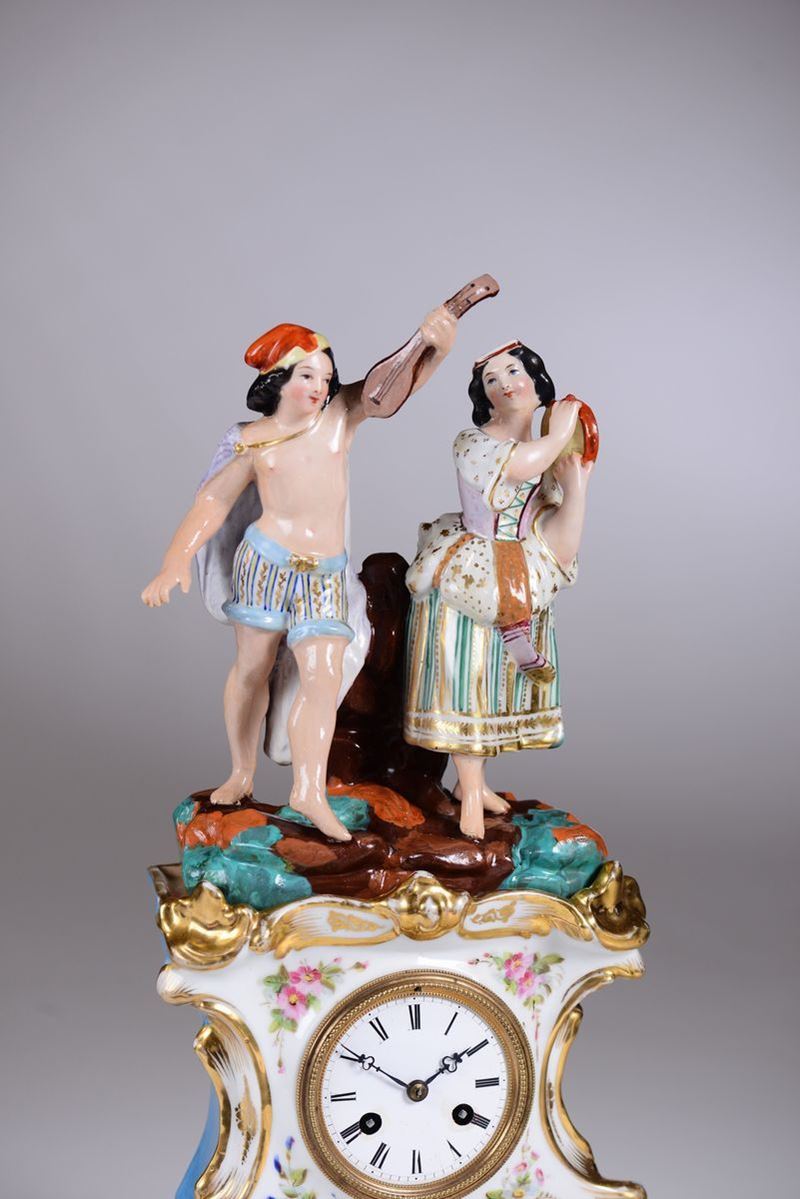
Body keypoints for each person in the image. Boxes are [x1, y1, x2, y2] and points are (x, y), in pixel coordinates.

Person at [142, 311, 456, 841]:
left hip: (324, 576)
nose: (319, 386)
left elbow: (391, 388)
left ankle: (308, 789)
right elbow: (213, 501)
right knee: (252, 668)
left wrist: (436, 350)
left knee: (323, 676)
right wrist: (175, 560)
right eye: (307, 375)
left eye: (326, 377)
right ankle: (241, 771)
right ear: (277, 379)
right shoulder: (253, 440)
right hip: (265, 565)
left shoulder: (339, 419)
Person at [403, 341, 593, 839]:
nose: (504, 383)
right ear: (483, 396)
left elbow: (563, 545)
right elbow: (518, 466)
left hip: (519, 566)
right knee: (466, 680)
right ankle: (468, 793)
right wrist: (562, 433)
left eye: (513, 371)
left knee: (494, 686)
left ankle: (474, 785)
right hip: (471, 573)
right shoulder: (473, 443)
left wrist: (578, 486)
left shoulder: (545, 454)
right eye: (491, 379)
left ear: (537, 382)